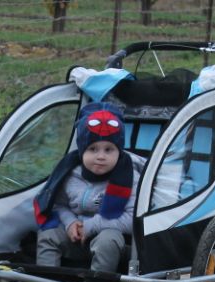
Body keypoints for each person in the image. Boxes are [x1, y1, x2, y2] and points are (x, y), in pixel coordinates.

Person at [33, 102, 145, 273]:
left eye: (109, 150)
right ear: (82, 150)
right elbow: (58, 205)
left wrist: (91, 225)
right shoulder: (71, 174)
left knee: (108, 240)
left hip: (110, 238)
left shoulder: (130, 177)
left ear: (119, 152)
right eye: (93, 149)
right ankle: (48, 281)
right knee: (48, 234)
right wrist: (70, 223)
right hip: (75, 234)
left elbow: (132, 219)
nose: (101, 156)